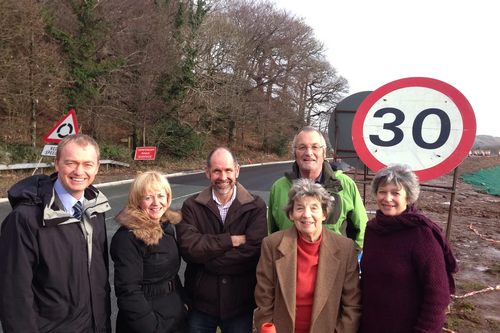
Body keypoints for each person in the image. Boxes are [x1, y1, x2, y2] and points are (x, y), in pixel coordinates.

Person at [0, 134, 111, 333]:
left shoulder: (96, 210)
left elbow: (99, 278)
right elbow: (14, 294)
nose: (79, 171)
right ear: (57, 164)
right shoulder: (24, 219)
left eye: (87, 164)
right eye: (71, 163)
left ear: (97, 167)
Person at [176, 147, 268, 333]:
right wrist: (231, 241)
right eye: (217, 171)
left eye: (228, 170)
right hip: (201, 304)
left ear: (237, 171)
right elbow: (189, 248)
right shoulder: (192, 206)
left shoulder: (255, 206)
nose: (223, 176)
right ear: (208, 172)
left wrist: (207, 260)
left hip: (240, 305)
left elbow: (254, 250)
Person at [359, 164, 459, 333]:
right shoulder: (373, 230)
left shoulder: (422, 235)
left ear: (408, 197)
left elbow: (438, 296)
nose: (387, 198)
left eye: (395, 193)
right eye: (382, 191)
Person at [254, 178, 362, 333]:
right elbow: (264, 298)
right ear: (291, 214)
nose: (306, 215)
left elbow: (352, 304)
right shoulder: (272, 245)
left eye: (314, 208)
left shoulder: (345, 248)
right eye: (299, 208)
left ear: (324, 214)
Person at [110, 171, 189, 333]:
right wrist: (151, 327)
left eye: (160, 196)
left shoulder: (166, 228)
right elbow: (128, 291)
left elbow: (172, 274)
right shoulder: (128, 238)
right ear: (137, 200)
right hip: (147, 323)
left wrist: (184, 303)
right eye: (148, 197)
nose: (156, 203)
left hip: (175, 315)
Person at [268, 126, 367, 252]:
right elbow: (272, 233)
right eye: (302, 147)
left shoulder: (345, 185)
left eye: (315, 147)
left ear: (324, 151)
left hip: (335, 267)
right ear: (294, 152)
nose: (309, 153)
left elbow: (362, 231)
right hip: (290, 267)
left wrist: (349, 261)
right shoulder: (278, 188)